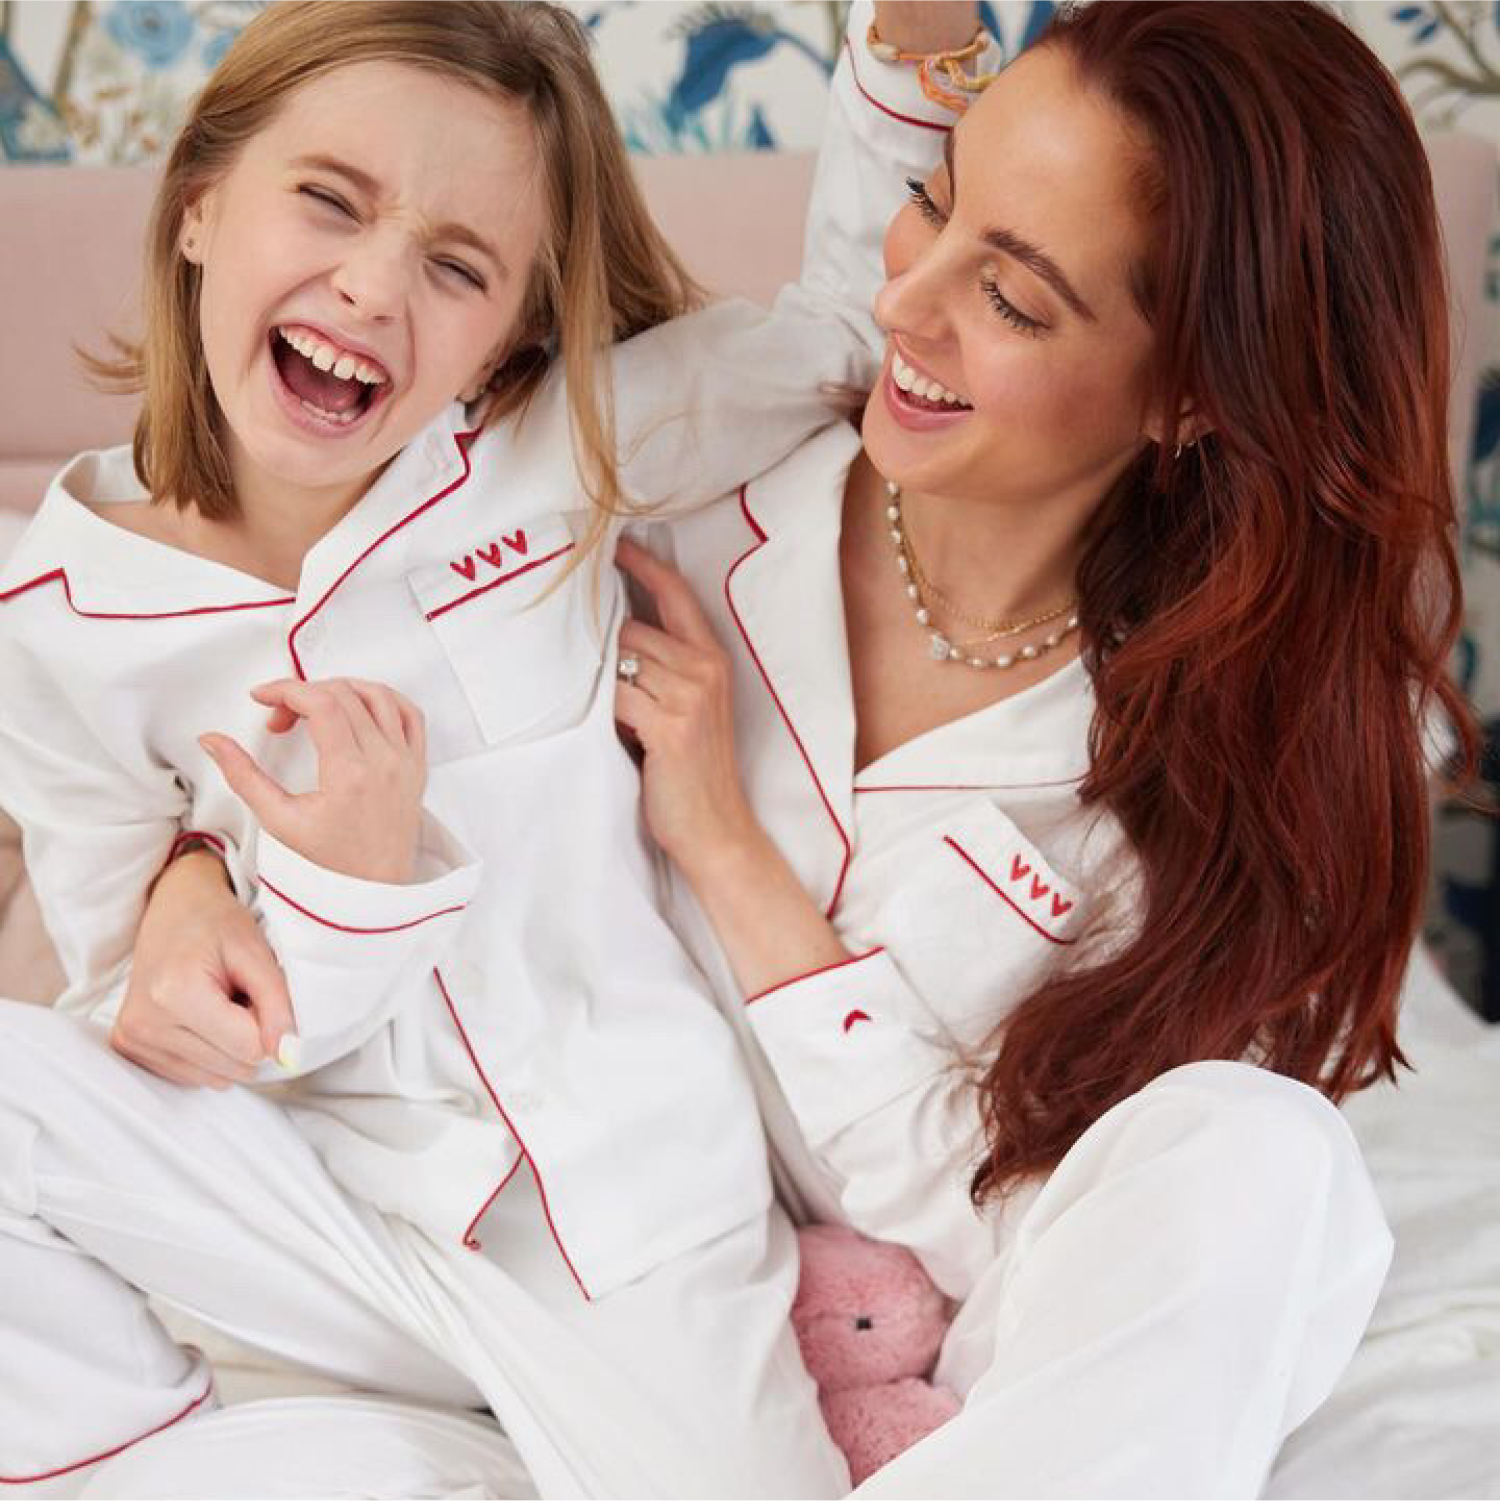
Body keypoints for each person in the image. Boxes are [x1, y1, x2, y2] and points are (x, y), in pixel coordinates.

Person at [0, 0, 944, 1496]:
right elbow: (143, 1008)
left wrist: (915, 49)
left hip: (628, 1237)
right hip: (323, 1219)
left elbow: (834, 343)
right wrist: (285, 895)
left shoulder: (561, 448)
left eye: (458, 267)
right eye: (328, 199)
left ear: (510, 328)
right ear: (197, 210)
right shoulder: (49, 615)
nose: (374, 287)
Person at [608, 0, 1477, 1496]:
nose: (904, 307)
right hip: (617, 1279)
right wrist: (173, 858)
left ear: (1194, 394)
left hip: (986, 1357)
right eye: (931, 203)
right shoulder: (692, 501)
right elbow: (312, 607)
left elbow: (1033, 1224)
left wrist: (741, 874)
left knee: (1263, 1155)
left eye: (1011, 302)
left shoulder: (1251, 773)